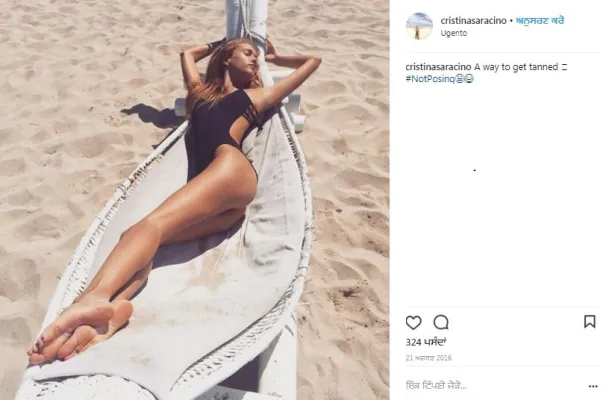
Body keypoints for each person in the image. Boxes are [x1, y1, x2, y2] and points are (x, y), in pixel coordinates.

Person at [27, 37, 322, 365]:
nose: (256, 61)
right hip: (225, 205)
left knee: (147, 228)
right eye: (248, 53)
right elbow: (188, 54)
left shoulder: (255, 97)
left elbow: (313, 61)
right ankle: (104, 320)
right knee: (150, 243)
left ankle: (90, 299)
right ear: (227, 58)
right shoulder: (199, 94)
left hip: (230, 168)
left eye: (258, 56)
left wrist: (277, 57)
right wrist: (219, 43)